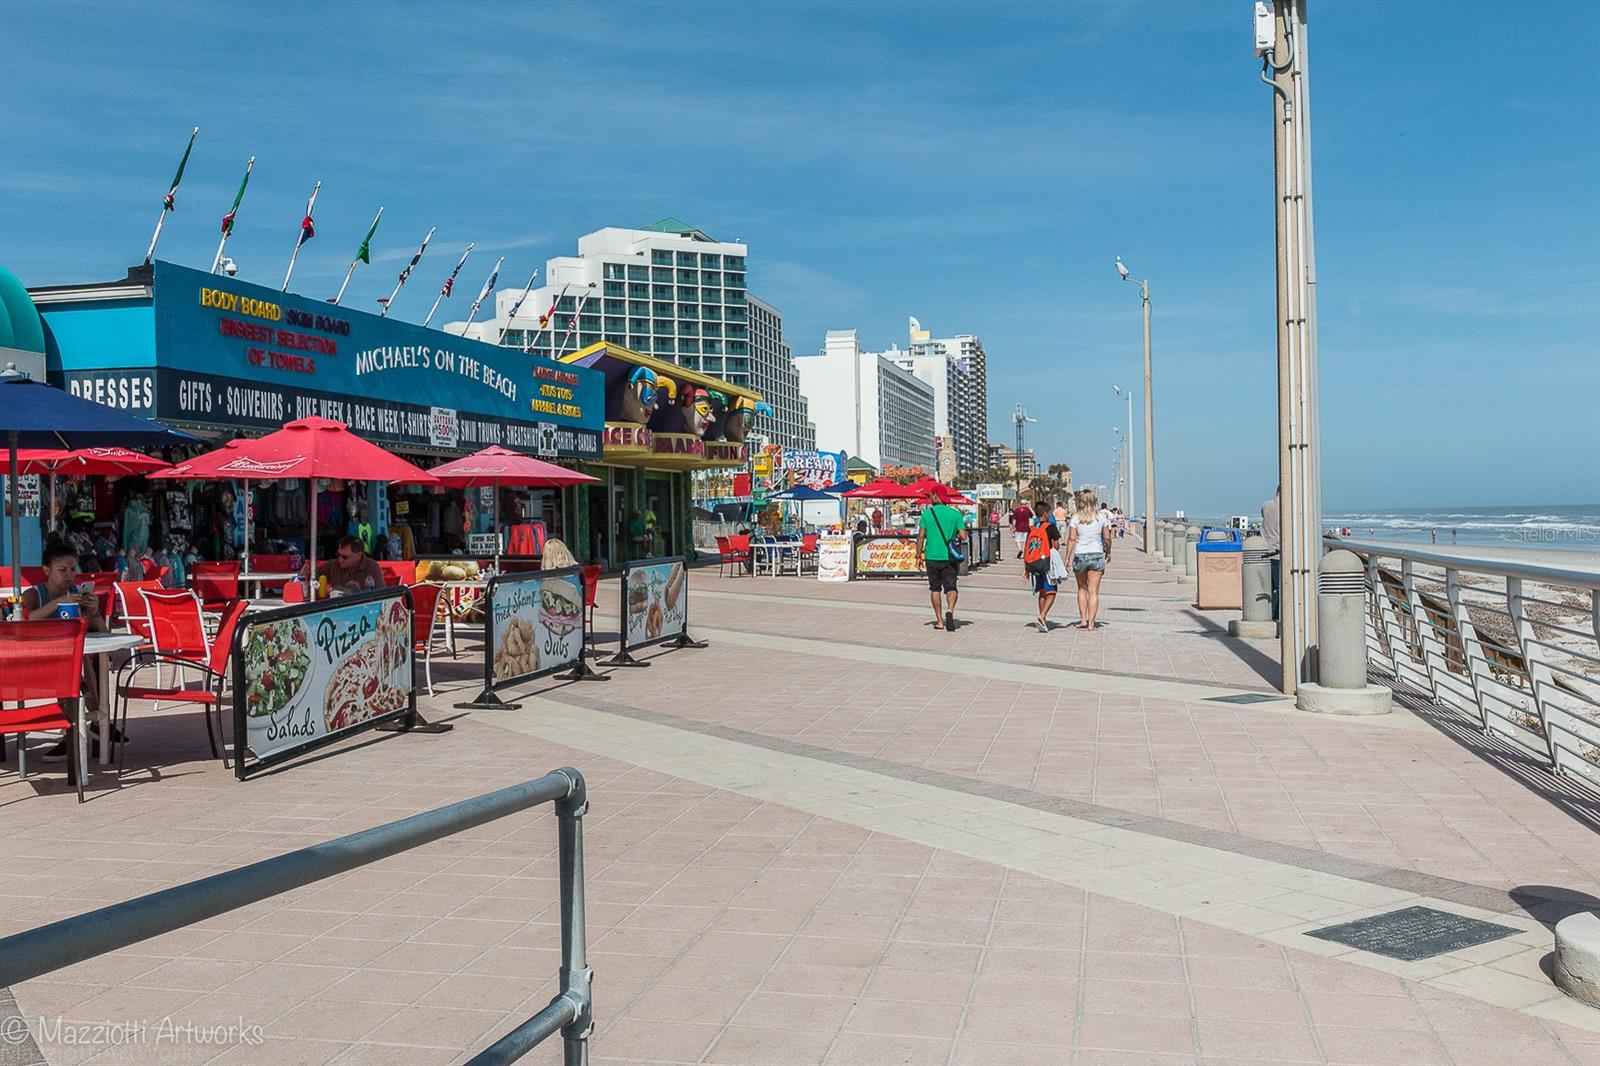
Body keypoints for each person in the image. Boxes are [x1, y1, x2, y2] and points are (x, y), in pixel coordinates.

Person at [22, 541, 114, 762]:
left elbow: (103, 633)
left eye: (73, 569)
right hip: (34, 663)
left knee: (92, 661)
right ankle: (98, 724)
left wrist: (94, 612)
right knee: (74, 672)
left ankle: (79, 732)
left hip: (68, 661)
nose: (69, 575)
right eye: (62, 570)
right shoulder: (34, 595)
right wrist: (58, 603)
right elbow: (26, 621)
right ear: (47, 570)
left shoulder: (77, 594)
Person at [915, 490, 967, 632]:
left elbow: (920, 536)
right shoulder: (955, 514)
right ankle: (950, 610)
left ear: (937, 496)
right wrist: (954, 531)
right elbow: (963, 536)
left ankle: (939, 621)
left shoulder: (927, 514)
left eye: (932, 495)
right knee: (951, 587)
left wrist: (918, 555)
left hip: (932, 556)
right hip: (949, 557)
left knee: (935, 588)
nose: (930, 498)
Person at [1066, 489, 1112, 630]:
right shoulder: (1101, 517)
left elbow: (1072, 538)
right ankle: (1092, 623)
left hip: (1080, 555)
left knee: (1081, 589)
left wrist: (1067, 558)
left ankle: (1083, 620)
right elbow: (1107, 537)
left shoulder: (1075, 518)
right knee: (1093, 591)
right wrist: (1108, 551)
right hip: (1096, 555)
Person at [304, 535, 385, 594]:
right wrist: (307, 574)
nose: (340, 560)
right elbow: (312, 576)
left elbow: (381, 595)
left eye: (345, 557)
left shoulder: (373, 568)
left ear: (358, 555)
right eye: (338, 555)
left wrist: (358, 591)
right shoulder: (334, 565)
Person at [1027, 500, 1062, 631]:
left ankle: (1043, 620)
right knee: (1052, 591)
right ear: (1046, 514)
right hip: (1048, 563)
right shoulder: (1051, 527)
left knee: (1042, 591)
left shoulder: (1034, 528)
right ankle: (1042, 616)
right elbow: (1057, 546)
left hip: (1036, 564)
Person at [1261, 486, 1280, 620]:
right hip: (1278, 551)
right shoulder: (1287, 507)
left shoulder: (1266, 505)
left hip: (1264, 549)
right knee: (1278, 586)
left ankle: (1266, 612)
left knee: (1267, 585)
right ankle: (1274, 614)